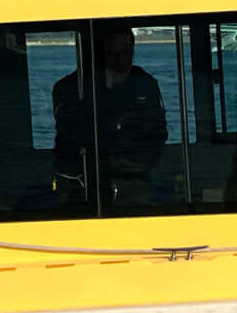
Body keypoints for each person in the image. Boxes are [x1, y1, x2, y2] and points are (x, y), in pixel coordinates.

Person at [51, 22, 168, 209]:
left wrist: (137, 165)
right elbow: (70, 132)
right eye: (112, 51)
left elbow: (157, 132)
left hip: (133, 178)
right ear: (101, 53)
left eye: (125, 50)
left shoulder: (145, 85)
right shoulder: (71, 87)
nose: (119, 58)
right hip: (79, 180)